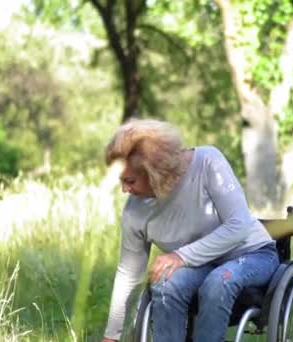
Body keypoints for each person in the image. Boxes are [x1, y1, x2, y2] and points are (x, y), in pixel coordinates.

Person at [101, 119, 279, 342]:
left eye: (130, 181)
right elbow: (128, 273)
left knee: (218, 281)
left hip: (251, 254)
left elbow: (239, 225)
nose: (124, 190)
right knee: (165, 283)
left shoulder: (207, 162)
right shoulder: (134, 212)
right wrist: (112, 335)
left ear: (154, 171)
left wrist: (180, 256)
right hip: (200, 266)